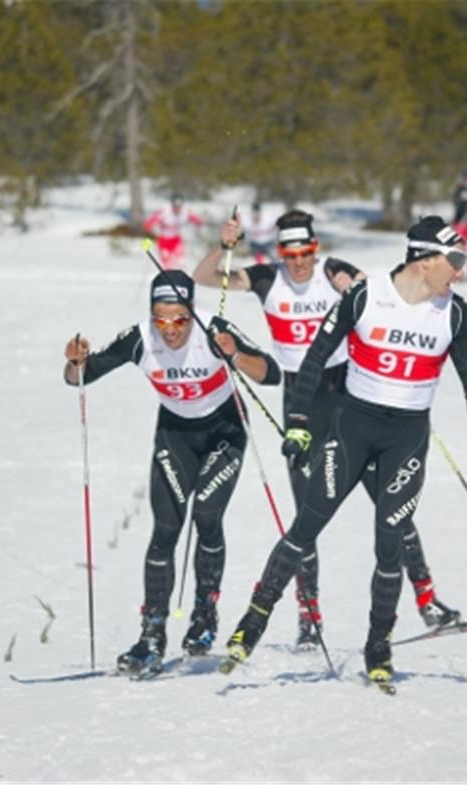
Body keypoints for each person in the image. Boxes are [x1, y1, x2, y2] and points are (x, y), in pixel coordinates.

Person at [221, 215, 467, 689]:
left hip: (407, 439)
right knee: (307, 526)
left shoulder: (454, 313)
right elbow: (312, 360)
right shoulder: (367, 297)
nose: (459, 269)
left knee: (389, 544)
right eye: (453, 260)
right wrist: (302, 425)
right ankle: (253, 620)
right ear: (423, 260)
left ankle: (379, 647)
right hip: (352, 429)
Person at [62, 270, 280, 676]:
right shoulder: (140, 338)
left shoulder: (213, 330)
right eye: (161, 320)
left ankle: (204, 613)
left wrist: (233, 355)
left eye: (179, 320)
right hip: (175, 434)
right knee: (165, 530)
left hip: (225, 433)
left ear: (191, 312)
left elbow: (272, 373)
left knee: (207, 517)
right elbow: (81, 376)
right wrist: (75, 362)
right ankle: (151, 636)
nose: (170, 330)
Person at [143, 194, 204, 271]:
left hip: (176, 240)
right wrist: (149, 238)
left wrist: (198, 225)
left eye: (179, 207)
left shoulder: (185, 212)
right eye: (175, 206)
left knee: (180, 262)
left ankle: (180, 279)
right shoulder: (164, 212)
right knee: (167, 265)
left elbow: (198, 220)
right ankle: (167, 279)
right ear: (172, 205)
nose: (177, 209)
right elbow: (147, 224)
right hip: (163, 241)